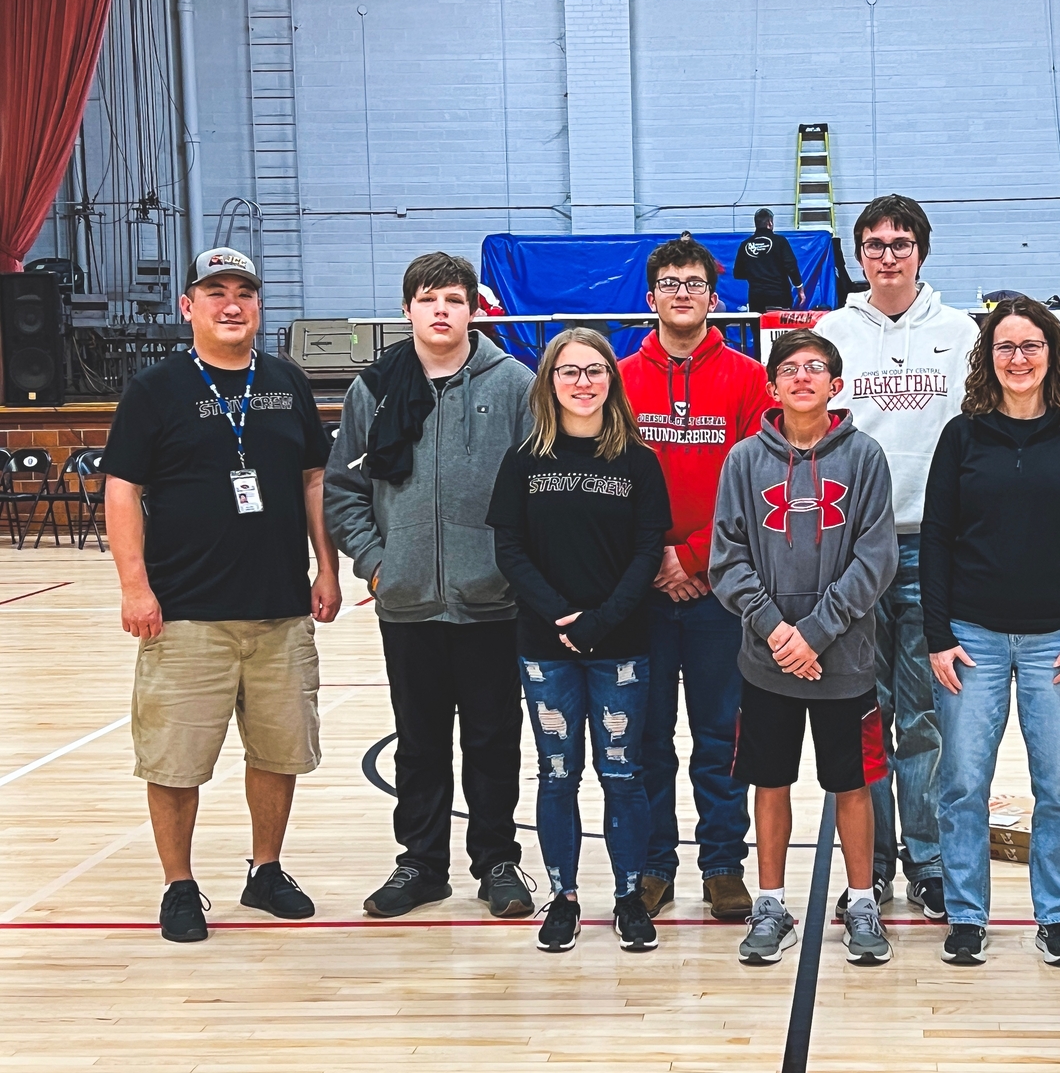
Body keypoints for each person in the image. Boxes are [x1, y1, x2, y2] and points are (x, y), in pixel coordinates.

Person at [103, 247, 341, 943]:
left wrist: (326, 569)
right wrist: (134, 586)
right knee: (176, 761)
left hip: (279, 612)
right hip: (184, 615)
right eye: (215, 292)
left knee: (278, 753)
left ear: (258, 305)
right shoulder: (156, 389)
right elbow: (123, 489)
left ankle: (265, 870)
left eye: (244, 292)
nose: (231, 303)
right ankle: (179, 885)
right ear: (188, 307)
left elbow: (312, 481)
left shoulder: (287, 382)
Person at [323, 252, 537, 919]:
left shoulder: (515, 386)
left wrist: (514, 570)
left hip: (492, 604)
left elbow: (538, 489)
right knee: (418, 743)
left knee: (493, 740)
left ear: (474, 308)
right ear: (408, 309)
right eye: (426, 298)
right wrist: (378, 563)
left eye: (452, 298)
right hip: (408, 602)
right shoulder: (374, 388)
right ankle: (421, 863)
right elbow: (345, 492)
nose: (439, 310)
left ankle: (498, 861)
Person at [922, 296, 1060, 967]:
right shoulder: (963, 436)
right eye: (1005, 347)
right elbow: (938, 541)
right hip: (970, 638)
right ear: (988, 358)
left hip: (1056, 642)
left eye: (1031, 345)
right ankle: (967, 915)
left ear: (1052, 354)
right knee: (963, 784)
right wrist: (937, 635)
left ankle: (1057, 915)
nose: (1018, 358)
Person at [812, 193, 979, 920]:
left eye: (900, 243)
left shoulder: (961, 332)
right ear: (859, 255)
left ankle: (930, 859)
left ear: (922, 251)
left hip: (932, 549)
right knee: (864, 714)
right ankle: (871, 861)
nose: (887, 255)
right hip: (850, 552)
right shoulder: (829, 332)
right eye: (874, 244)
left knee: (925, 715)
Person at [710, 329, 899, 966]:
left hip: (844, 661)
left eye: (815, 367)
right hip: (767, 661)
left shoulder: (865, 456)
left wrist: (814, 633)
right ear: (772, 387)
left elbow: (876, 560)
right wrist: (776, 631)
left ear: (836, 385)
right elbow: (727, 560)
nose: (801, 377)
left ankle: (863, 902)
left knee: (854, 784)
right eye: (788, 368)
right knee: (770, 780)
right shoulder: (742, 460)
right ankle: (769, 905)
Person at [486, 328, 672, 953]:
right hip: (545, 644)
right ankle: (562, 898)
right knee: (558, 772)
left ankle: (628, 897)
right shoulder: (523, 459)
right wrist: (562, 613)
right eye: (570, 372)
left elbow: (649, 550)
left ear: (611, 382)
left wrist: (601, 619)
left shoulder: (637, 461)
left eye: (595, 371)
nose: (583, 382)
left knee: (623, 773)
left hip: (622, 642)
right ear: (550, 382)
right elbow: (508, 548)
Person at [621, 235, 774, 921]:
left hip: (721, 590)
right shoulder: (620, 377)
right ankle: (655, 865)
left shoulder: (747, 377)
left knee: (719, 740)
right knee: (649, 741)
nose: (682, 294)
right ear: (650, 297)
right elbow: (609, 482)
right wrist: (654, 557)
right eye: (670, 283)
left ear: (715, 297)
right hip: (643, 591)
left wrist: (698, 556)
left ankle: (722, 866)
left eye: (694, 283)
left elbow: (759, 485)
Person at [734, 208, 805, 311]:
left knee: (758, 326)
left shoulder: (745, 245)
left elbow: (738, 273)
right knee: (778, 326)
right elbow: (791, 266)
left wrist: (756, 273)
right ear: (770, 223)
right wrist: (800, 289)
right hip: (779, 296)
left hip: (756, 297)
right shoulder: (780, 241)